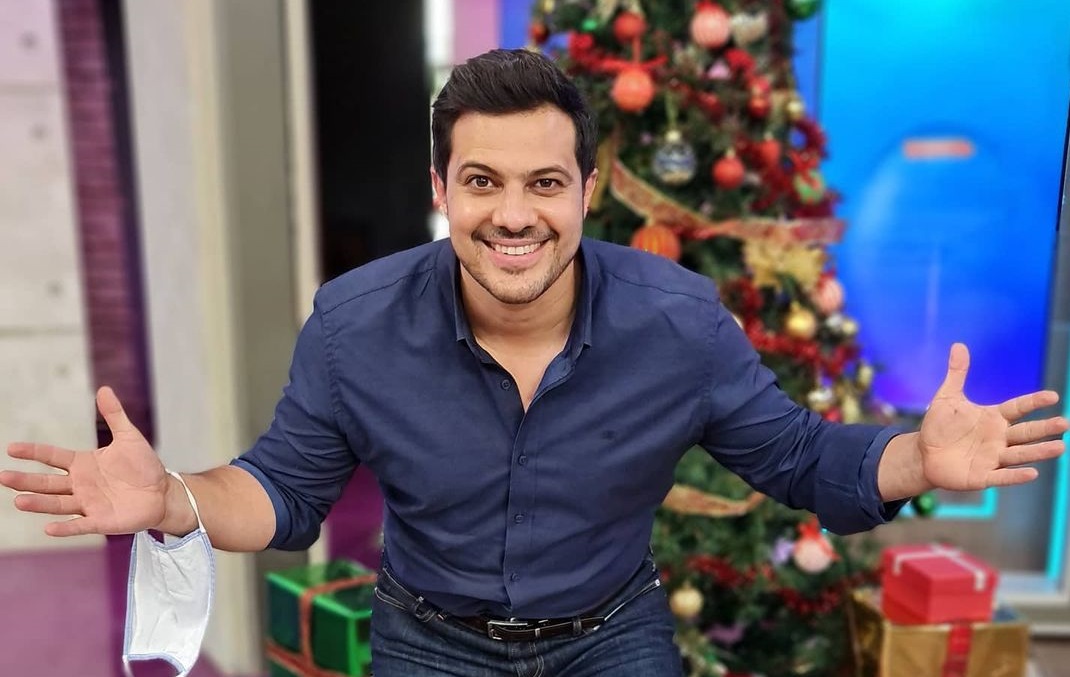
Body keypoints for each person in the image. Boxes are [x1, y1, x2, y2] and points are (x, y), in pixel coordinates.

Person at [2, 48, 1067, 676]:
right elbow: (282, 492)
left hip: (613, 633)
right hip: (430, 639)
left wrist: (915, 459)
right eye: (482, 181)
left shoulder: (678, 323)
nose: (513, 215)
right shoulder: (353, 324)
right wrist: (175, 496)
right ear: (441, 189)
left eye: (544, 183)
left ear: (587, 189)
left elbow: (798, 458)